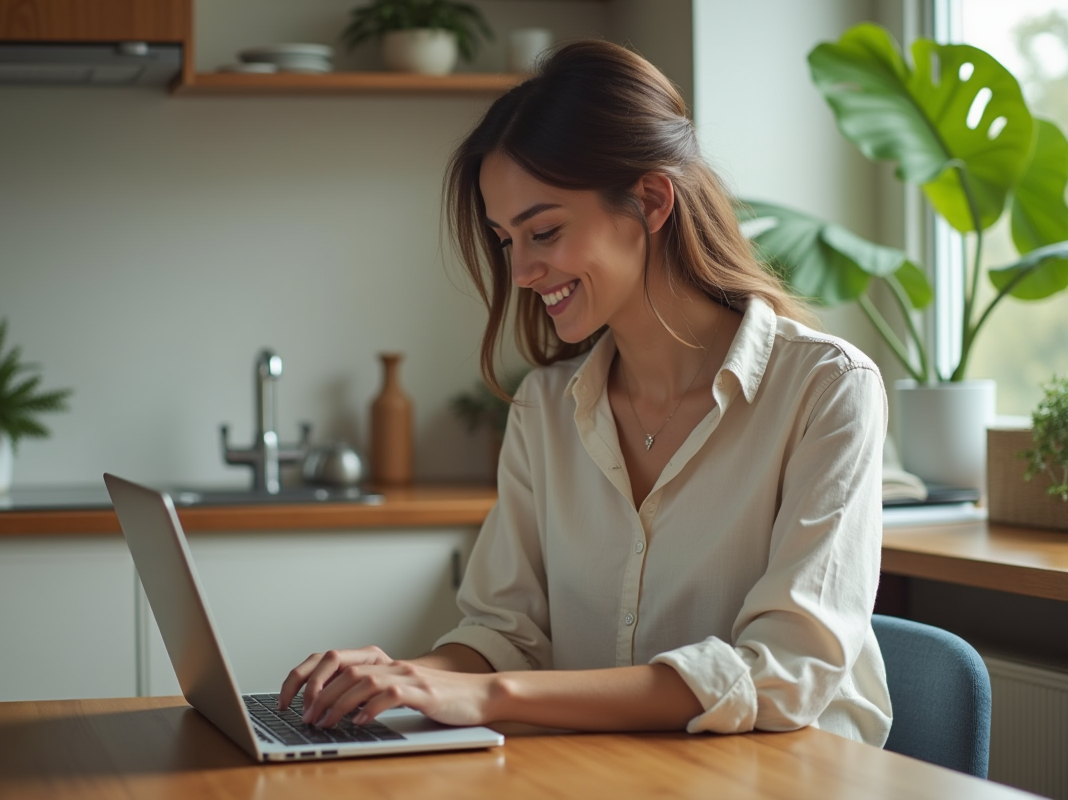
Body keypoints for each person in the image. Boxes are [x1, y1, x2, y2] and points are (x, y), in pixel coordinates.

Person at [278, 40, 892, 746]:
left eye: (544, 231)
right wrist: (402, 677)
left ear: (651, 200)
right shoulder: (544, 409)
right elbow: (502, 632)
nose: (523, 272)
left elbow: (782, 674)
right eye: (506, 240)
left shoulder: (826, 391)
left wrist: (488, 694)